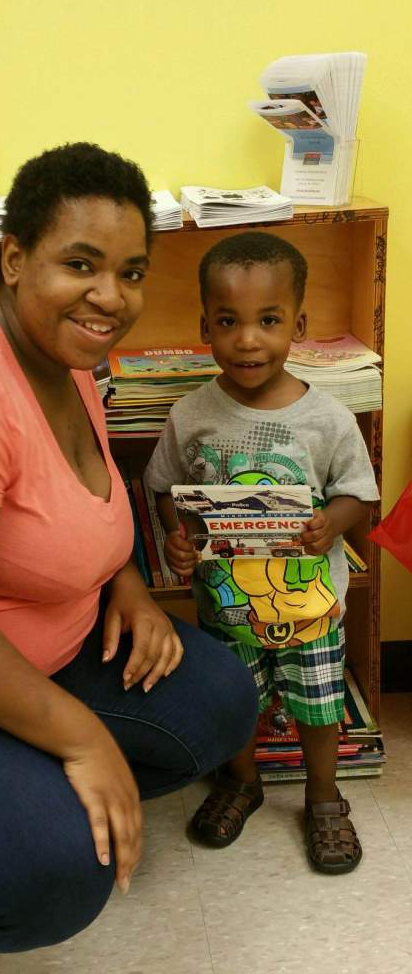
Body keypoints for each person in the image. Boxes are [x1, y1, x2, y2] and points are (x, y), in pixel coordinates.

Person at [0, 142, 257, 974]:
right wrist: (81, 741)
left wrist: (129, 584)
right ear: (16, 260)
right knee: (53, 875)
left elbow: (80, 513)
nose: (112, 297)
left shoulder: (69, 366)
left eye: (132, 271)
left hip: (30, 652)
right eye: (81, 264)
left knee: (216, 704)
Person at [144, 231, 379, 875]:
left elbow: (359, 493)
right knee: (234, 703)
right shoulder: (192, 414)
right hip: (227, 608)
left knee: (318, 702)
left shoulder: (327, 418)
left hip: (312, 606)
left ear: (297, 325)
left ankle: (323, 798)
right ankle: (241, 783)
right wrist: (175, 536)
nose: (248, 339)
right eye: (228, 321)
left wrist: (331, 523)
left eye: (268, 320)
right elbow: (164, 486)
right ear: (205, 327)